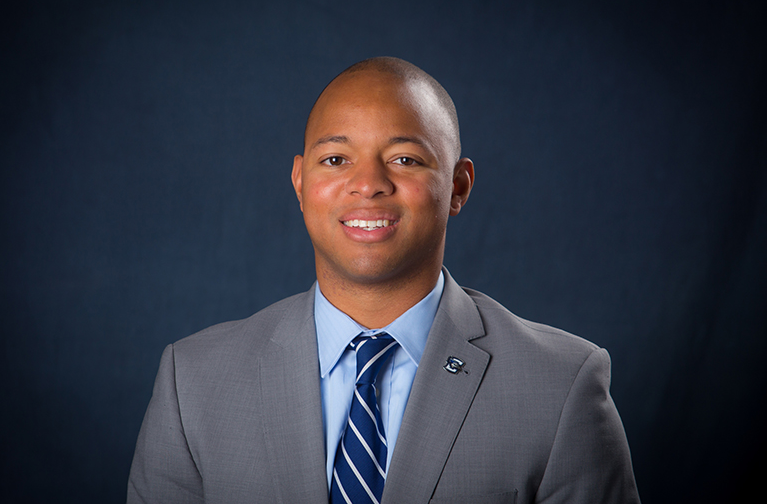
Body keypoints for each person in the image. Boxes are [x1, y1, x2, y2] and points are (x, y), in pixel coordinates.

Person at [127, 57, 640, 503]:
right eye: (335, 159)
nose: (369, 184)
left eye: (405, 159)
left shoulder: (561, 385)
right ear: (301, 183)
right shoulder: (191, 382)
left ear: (458, 187)